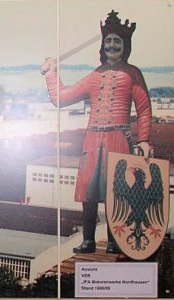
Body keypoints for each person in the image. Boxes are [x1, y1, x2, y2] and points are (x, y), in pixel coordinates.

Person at [40, 10, 152, 254]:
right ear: (103, 45)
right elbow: (61, 99)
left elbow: (144, 109)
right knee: (87, 191)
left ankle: (114, 241)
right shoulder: (94, 75)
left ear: (125, 45)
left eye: (116, 41)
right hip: (92, 141)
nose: (112, 45)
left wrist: (143, 140)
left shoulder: (132, 73)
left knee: (117, 191)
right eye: (108, 41)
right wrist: (51, 74)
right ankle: (88, 240)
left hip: (119, 139)